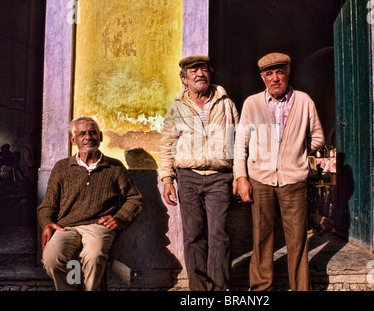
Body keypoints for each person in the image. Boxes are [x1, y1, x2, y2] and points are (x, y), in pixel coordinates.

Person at [234, 52, 325, 291]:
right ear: (262, 77)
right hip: (260, 179)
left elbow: (317, 137)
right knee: (262, 238)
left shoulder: (304, 101)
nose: (275, 78)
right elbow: (240, 144)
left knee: (297, 240)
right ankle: (261, 290)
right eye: (269, 73)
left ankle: (300, 289)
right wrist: (241, 177)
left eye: (280, 72)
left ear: (288, 74)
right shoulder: (251, 104)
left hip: (293, 180)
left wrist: (297, 151)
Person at [159, 55, 239, 291]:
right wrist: (167, 180)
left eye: (203, 69)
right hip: (188, 177)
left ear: (210, 74)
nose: (199, 74)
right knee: (193, 236)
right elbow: (167, 145)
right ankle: (199, 291)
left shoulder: (226, 103)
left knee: (219, 235)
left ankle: (218, 290)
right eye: (193, 71)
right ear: (184, 79)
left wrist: (239, 174)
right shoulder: (176, 108)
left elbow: (240, 141)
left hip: (220, 176)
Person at [37, 116, 143, 291]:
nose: (88, 137)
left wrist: (119, 218)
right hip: (66, 227)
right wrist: (47, 223)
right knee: (51, 259)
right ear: (74, 140)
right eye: (82, 133)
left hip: (98, 226)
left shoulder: (115, 167)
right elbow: (48, 203)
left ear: (100, 137)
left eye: (93, 132)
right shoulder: (62, 167)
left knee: (94, 257)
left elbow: (135, 198)